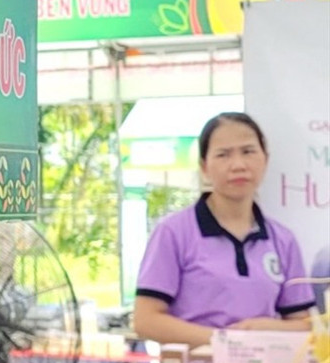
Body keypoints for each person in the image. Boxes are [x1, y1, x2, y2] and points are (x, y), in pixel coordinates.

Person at [133, 111, 314, 346]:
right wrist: (226, 342)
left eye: (248, 151)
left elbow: (307, 324)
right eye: (223, 155)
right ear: (204, 167)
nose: (238, 165)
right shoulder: (173, 232)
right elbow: (146, 320)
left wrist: (268, 329)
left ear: (265, 159)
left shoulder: (282, 239)